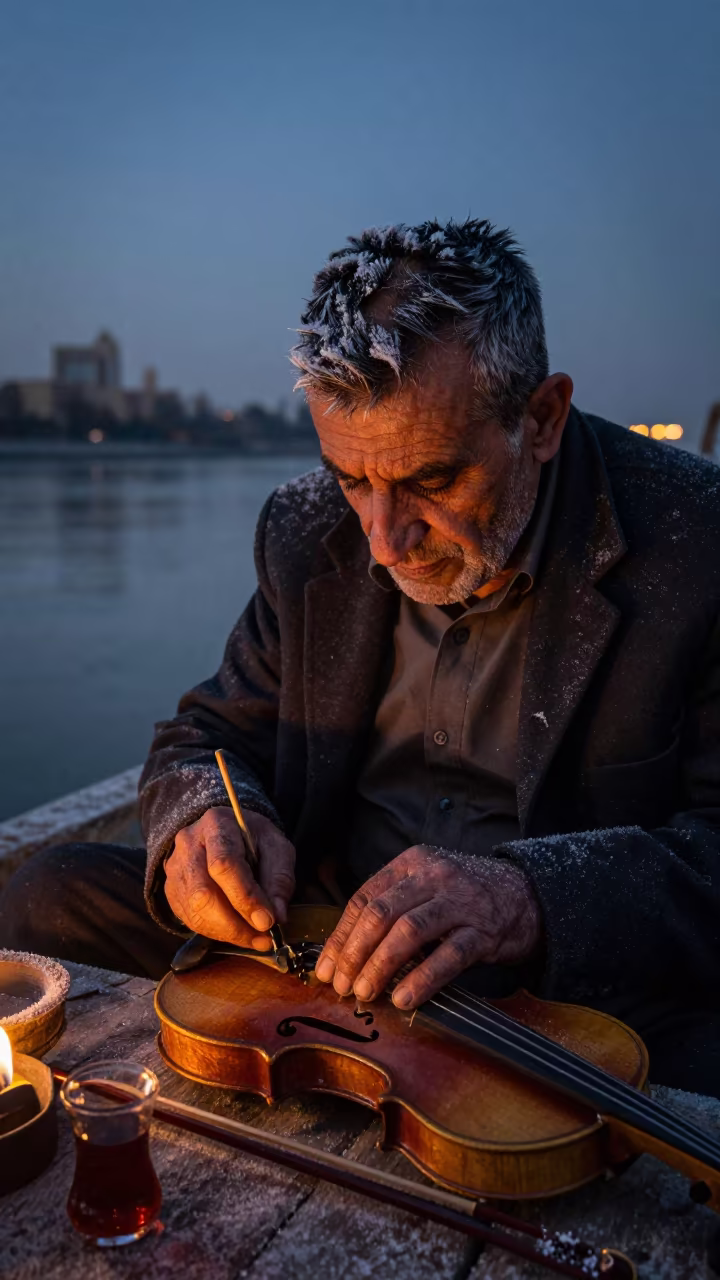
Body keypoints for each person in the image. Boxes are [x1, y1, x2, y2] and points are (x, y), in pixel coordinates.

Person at [4, 218, 720, 1095]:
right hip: (318, 952)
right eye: (353, 480)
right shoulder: (306, 529)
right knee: (48, 894)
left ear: (541, 417)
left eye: (431, 481)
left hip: (573, 994)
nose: (384, 543)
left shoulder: (697, 543)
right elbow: (207, 736)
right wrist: (206, 822)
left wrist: (527, 899)